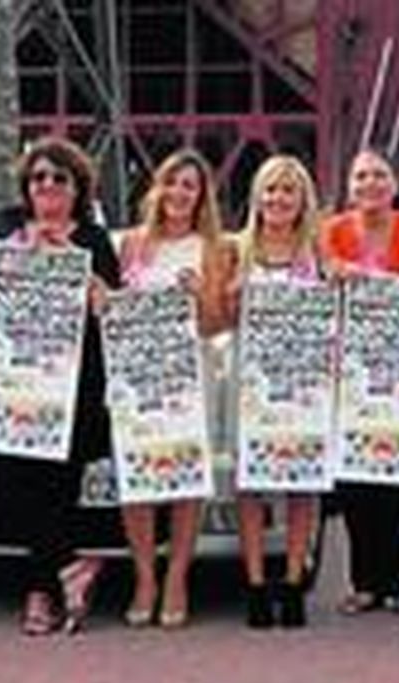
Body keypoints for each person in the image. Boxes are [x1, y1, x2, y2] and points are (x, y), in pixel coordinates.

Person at [0, 137, 121, 636]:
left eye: (60, 177)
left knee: (56, 490)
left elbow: (110, 309)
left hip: (76, 387)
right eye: (38, 177)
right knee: (0, 477)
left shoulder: (95, 240)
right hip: (17, 386)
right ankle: (70, 566)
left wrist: (76, 267)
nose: (48, 185)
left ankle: (41, 595)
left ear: (78, 188)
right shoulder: (7, 240)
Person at [114, 149, 234, 629]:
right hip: (138, 378)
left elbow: (217, 324)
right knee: (137, 480)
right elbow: (118, 307)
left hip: (191, 375)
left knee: (186, 480)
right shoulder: (132, 243)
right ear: (157, 188)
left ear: (201, 195)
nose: (180, 193)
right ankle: (145, 576)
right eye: (172, 182)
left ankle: (177, 577)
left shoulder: (214, 248)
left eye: (190, 185)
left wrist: (200, 295)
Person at [319, 148, 399, 616]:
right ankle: (365, 583)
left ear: (395, 181)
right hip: (349, 369)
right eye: (361, 175)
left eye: (379, 175)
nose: (370, 183)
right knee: (356, 481)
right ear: (349, 185)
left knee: (398, 478)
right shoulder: (331, 232)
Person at [223, 154, 325, 628]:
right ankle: (256, 583)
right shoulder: (234, 249)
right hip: (251, 386)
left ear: (302, 198)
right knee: (251, 488)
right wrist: (228, 298)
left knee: (302, 487)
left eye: (288, 190)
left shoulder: (318, 253)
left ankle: (293, 581)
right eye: (270, 189)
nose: (278, 199)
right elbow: (214, 321)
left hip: (305, 387)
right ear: (257, 197)